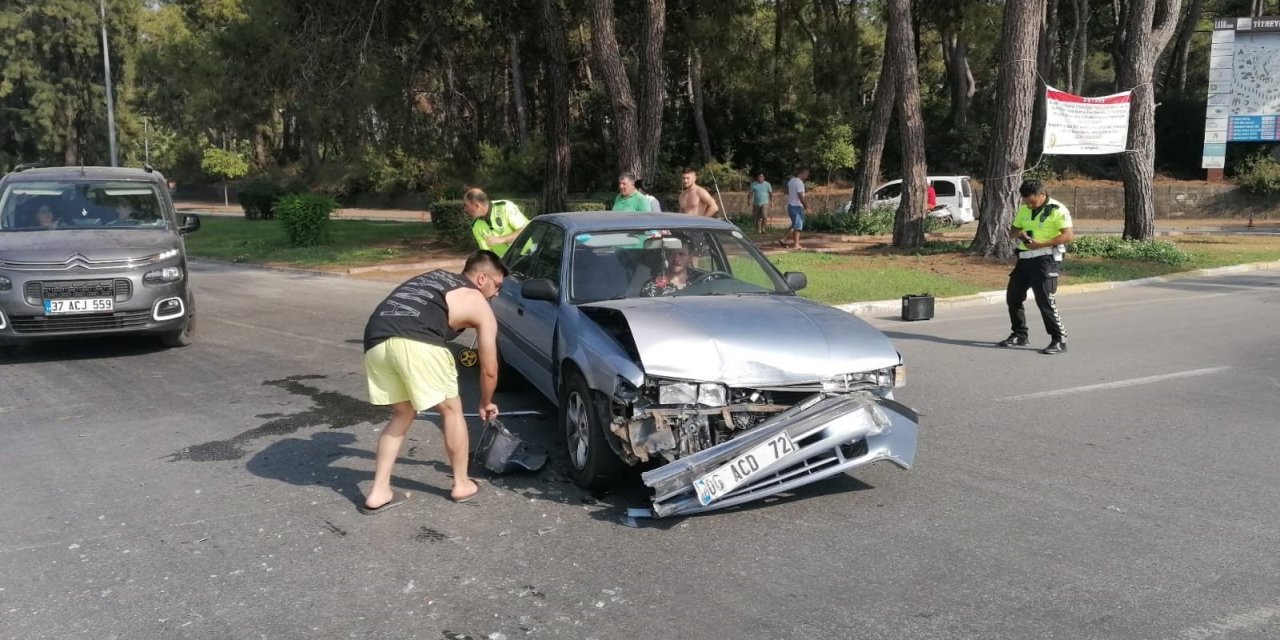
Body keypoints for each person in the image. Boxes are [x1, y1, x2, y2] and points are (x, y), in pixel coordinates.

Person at [359, 251, 508, 514]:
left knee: (402, 413)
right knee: (451, 410)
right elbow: (489, 369)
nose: (497, 294)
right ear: (482, 278)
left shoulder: (436, 277)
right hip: (418, 340)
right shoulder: (479, 303)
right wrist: (486, 402)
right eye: (498, 286)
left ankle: (379, 492)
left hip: (376, 339)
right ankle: (462, 484)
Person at [997, 180, 1074, 355]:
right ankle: (1019, 335)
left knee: (1045, 300)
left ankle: (1059, 340)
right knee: (1013, 297)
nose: (1029, 205)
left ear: (1042, 194)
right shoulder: (1024, 209)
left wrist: (1041, 244)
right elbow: (1013, 230)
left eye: (1032, 201)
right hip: (1024, 259)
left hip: (1045, 259)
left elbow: (1068, 236)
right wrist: (1020, 234)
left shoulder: (1057, 209)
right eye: (1026, 202)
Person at [465, 188, 529, 258]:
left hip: (529, 254)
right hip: (506, 261)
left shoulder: (505, 207)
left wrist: (502, 239)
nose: (465, 209)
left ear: (477, 206)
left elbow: (526, 230)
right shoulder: (475, 226)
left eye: (466, 205)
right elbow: (487, 254)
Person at [775, 168, 809, 250]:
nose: (806, 177)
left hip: (791, 205)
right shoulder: (799, 183)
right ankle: (796, 245)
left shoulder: (791, 181)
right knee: (798, 226)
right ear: (802, 173)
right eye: (806, 175)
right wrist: (807, 207)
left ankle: (784, 239)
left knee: (794, 224)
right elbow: (800, 196)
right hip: (796, 206)